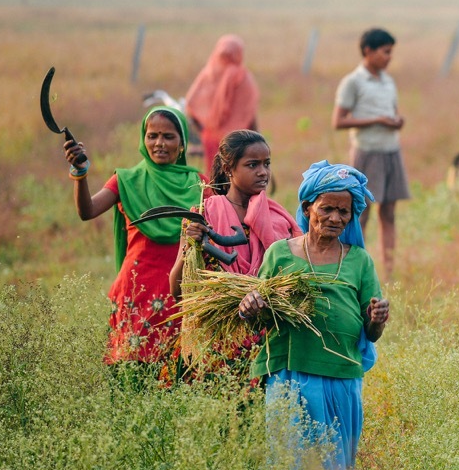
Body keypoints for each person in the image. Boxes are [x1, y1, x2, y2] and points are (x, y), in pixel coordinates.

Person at [238, 161, 390, 470]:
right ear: (307, 207)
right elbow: (259, 313)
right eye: (328, 208)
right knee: (289, 469)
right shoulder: (279, 255)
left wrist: (375, 321)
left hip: (341, 381)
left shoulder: (358, 261)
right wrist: (250, 305)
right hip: (289, 375)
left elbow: (369, 335)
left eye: (345, 211)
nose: (337, 218)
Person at [63, 104, 205, 365]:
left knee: (177, 373)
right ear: (143, 139)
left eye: (168, 136)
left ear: (182, 144)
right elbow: (87, 211)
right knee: (130, 372)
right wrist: (80, 173)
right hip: (135, 292)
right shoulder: (126, 180)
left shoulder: (200, 185)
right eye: (152, 136)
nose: (159, 143)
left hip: (180, 294)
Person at [169, 129, 300, 299]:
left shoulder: (278, 218)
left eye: (266, 164)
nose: (263, 172)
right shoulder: (203, 215)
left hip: (264, 319)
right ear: (228, 169)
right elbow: (176, 290)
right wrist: (191, 246)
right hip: (215, 322)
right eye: (252, 165)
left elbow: (292, 282)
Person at [332, 28, 410, 279]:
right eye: (385, 52)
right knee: (361, 213)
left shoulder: (389, 81)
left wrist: (396, 121)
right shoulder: (353, 82)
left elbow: (393, 111)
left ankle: (389, 271)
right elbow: (339, 121)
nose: (389, 57)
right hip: (367, 153)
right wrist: (376, 120)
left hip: (391, 152)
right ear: (368, 51)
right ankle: (357, 269)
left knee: (388, 213)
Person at [185, 34, 259, 172]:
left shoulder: (208, 74)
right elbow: (249, 112)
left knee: (214, 176)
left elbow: (191, 104)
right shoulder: (243, 77)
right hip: (239, 140)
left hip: (211, 137)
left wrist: (205, 131)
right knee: (239, 179)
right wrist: (258, 140)